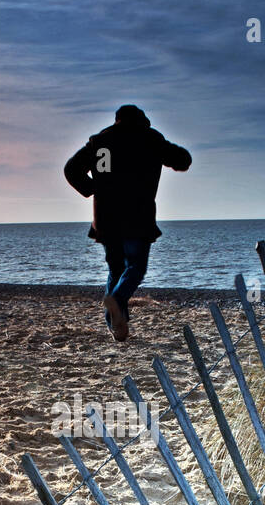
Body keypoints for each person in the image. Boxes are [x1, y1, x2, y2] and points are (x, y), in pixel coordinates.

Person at [63, 105, 192, 342]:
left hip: (106, 218)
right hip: (137, 216)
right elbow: (183, 160)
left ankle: (116, 326)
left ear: (117, 120)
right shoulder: (149, 138)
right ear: (142, 120)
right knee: (135, 267)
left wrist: (93, 188)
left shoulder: (99, 142)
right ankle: (117, 301)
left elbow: (71, 169)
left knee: (116, 269)